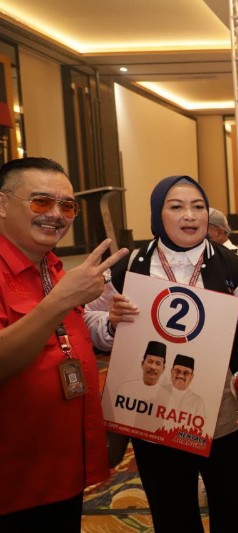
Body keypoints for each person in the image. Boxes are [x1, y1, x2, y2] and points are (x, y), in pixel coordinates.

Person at [84, 174, 238, 533]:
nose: (190, 215)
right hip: (152, 412)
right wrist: (110, 322)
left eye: (198, 206)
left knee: (234, 507)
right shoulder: (131, 266)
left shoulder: (235, 267)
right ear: (158, 214)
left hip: (222, 412)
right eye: (176, 207)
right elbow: (85, 317)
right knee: (171, 511)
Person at [0, 157, 129, 531]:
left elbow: (67, 338)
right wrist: (60, 300)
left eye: (67, 206)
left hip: (62, 470)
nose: (56, 215)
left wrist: (110, 322)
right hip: (13, 481)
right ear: (2, 204)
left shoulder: (52, 268)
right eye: (41, 201)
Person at [113, 340, 168, 431]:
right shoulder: (125, 387)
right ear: (142, 364)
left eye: (158, 363)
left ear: (163, 369)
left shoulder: (166, 396)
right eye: (150, 361)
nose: (153, 367)